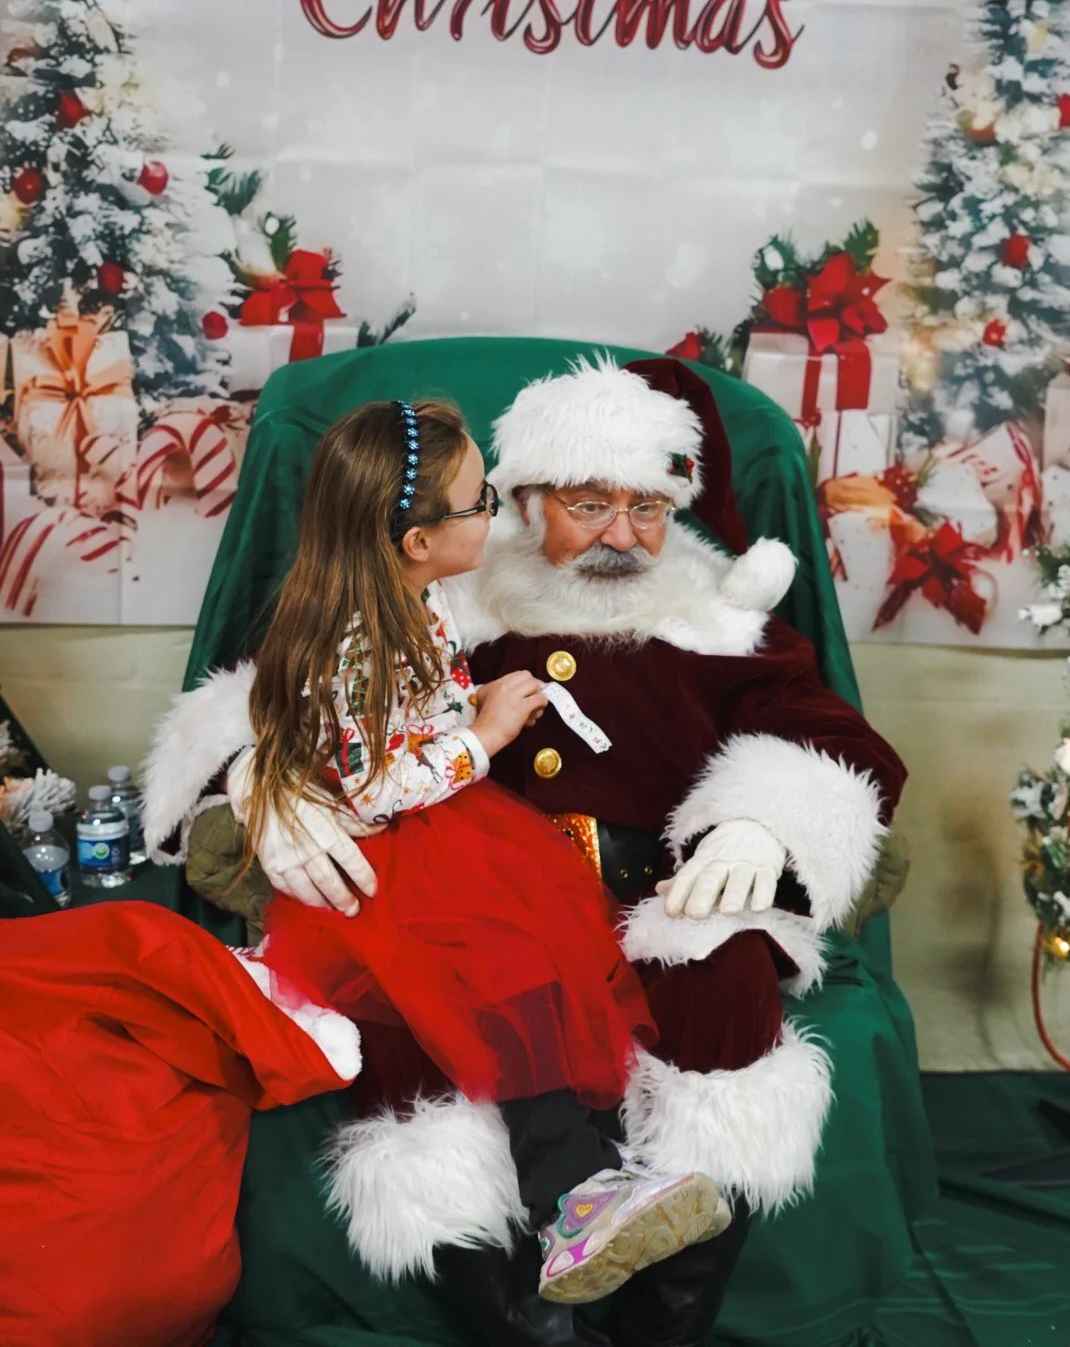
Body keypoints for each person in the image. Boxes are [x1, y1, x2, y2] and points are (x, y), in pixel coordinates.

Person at [144, 354, 908, 1347]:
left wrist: (766, 818)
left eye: (646, 504)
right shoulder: (448, 596)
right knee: (413, 1029)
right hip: (473, 899)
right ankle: (535, 1328)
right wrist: (265, 788)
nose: (622, 533)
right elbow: (276, 701)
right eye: (590, 501)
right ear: (527, 496)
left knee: (721, 993)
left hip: (660, 893)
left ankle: (657, 1327)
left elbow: (843, 744)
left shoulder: (718, 622)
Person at [226, 396, 727, 1317]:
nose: (493, 516)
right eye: (477, 502)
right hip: (408, 862)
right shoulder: (354, 637)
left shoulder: (411, 606)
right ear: (417, 540)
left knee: (550, 970)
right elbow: (370, 787)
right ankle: (570, 1197)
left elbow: (407, 720)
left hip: (463, 837)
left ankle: (592, 1182)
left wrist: (471, 703)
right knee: (513, 983)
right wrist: (484, 736)